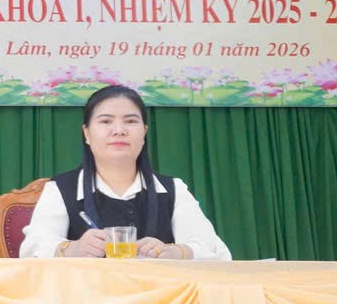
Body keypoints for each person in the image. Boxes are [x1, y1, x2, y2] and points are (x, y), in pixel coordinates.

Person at [20, 85, 231, 260]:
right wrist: (72, 249)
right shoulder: (60, 189)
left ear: (144, 132)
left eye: (130, 121)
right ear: (87, 133)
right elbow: (31, 249)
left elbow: (217, 253)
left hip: (160, 296)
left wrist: (175, 252)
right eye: (106, 121)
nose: (119, 130)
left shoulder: (173, 190)